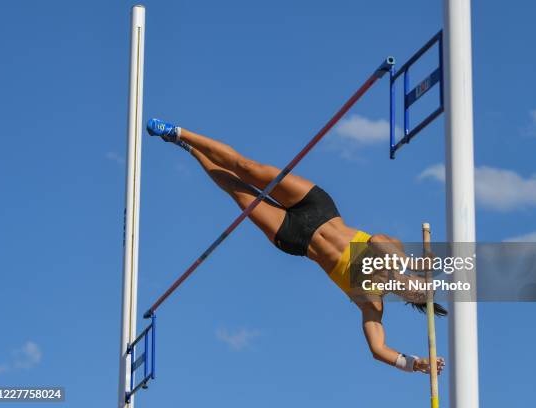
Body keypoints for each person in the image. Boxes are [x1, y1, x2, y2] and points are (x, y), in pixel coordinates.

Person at [146, 118, 446, 375]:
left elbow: (378, 349)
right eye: (421, 283)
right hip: (318, 209)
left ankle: (189, 150)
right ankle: (181, 132)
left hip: (294, 238)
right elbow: (378, 240)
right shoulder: (397, 255)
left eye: (420, 294)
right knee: (248, 167)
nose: (415, 287)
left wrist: (416, 363)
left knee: (239, 193)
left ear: (410, 300)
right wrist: (410, 266)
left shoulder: (372, 302)